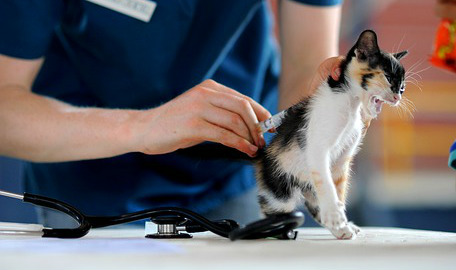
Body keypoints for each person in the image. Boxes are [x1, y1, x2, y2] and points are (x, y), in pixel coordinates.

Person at [0, 0, 342, 227]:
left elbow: (305, 60)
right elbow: (5, 111)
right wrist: (144, 127)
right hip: (88, 175)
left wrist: (311, 125)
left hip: (235, 171)